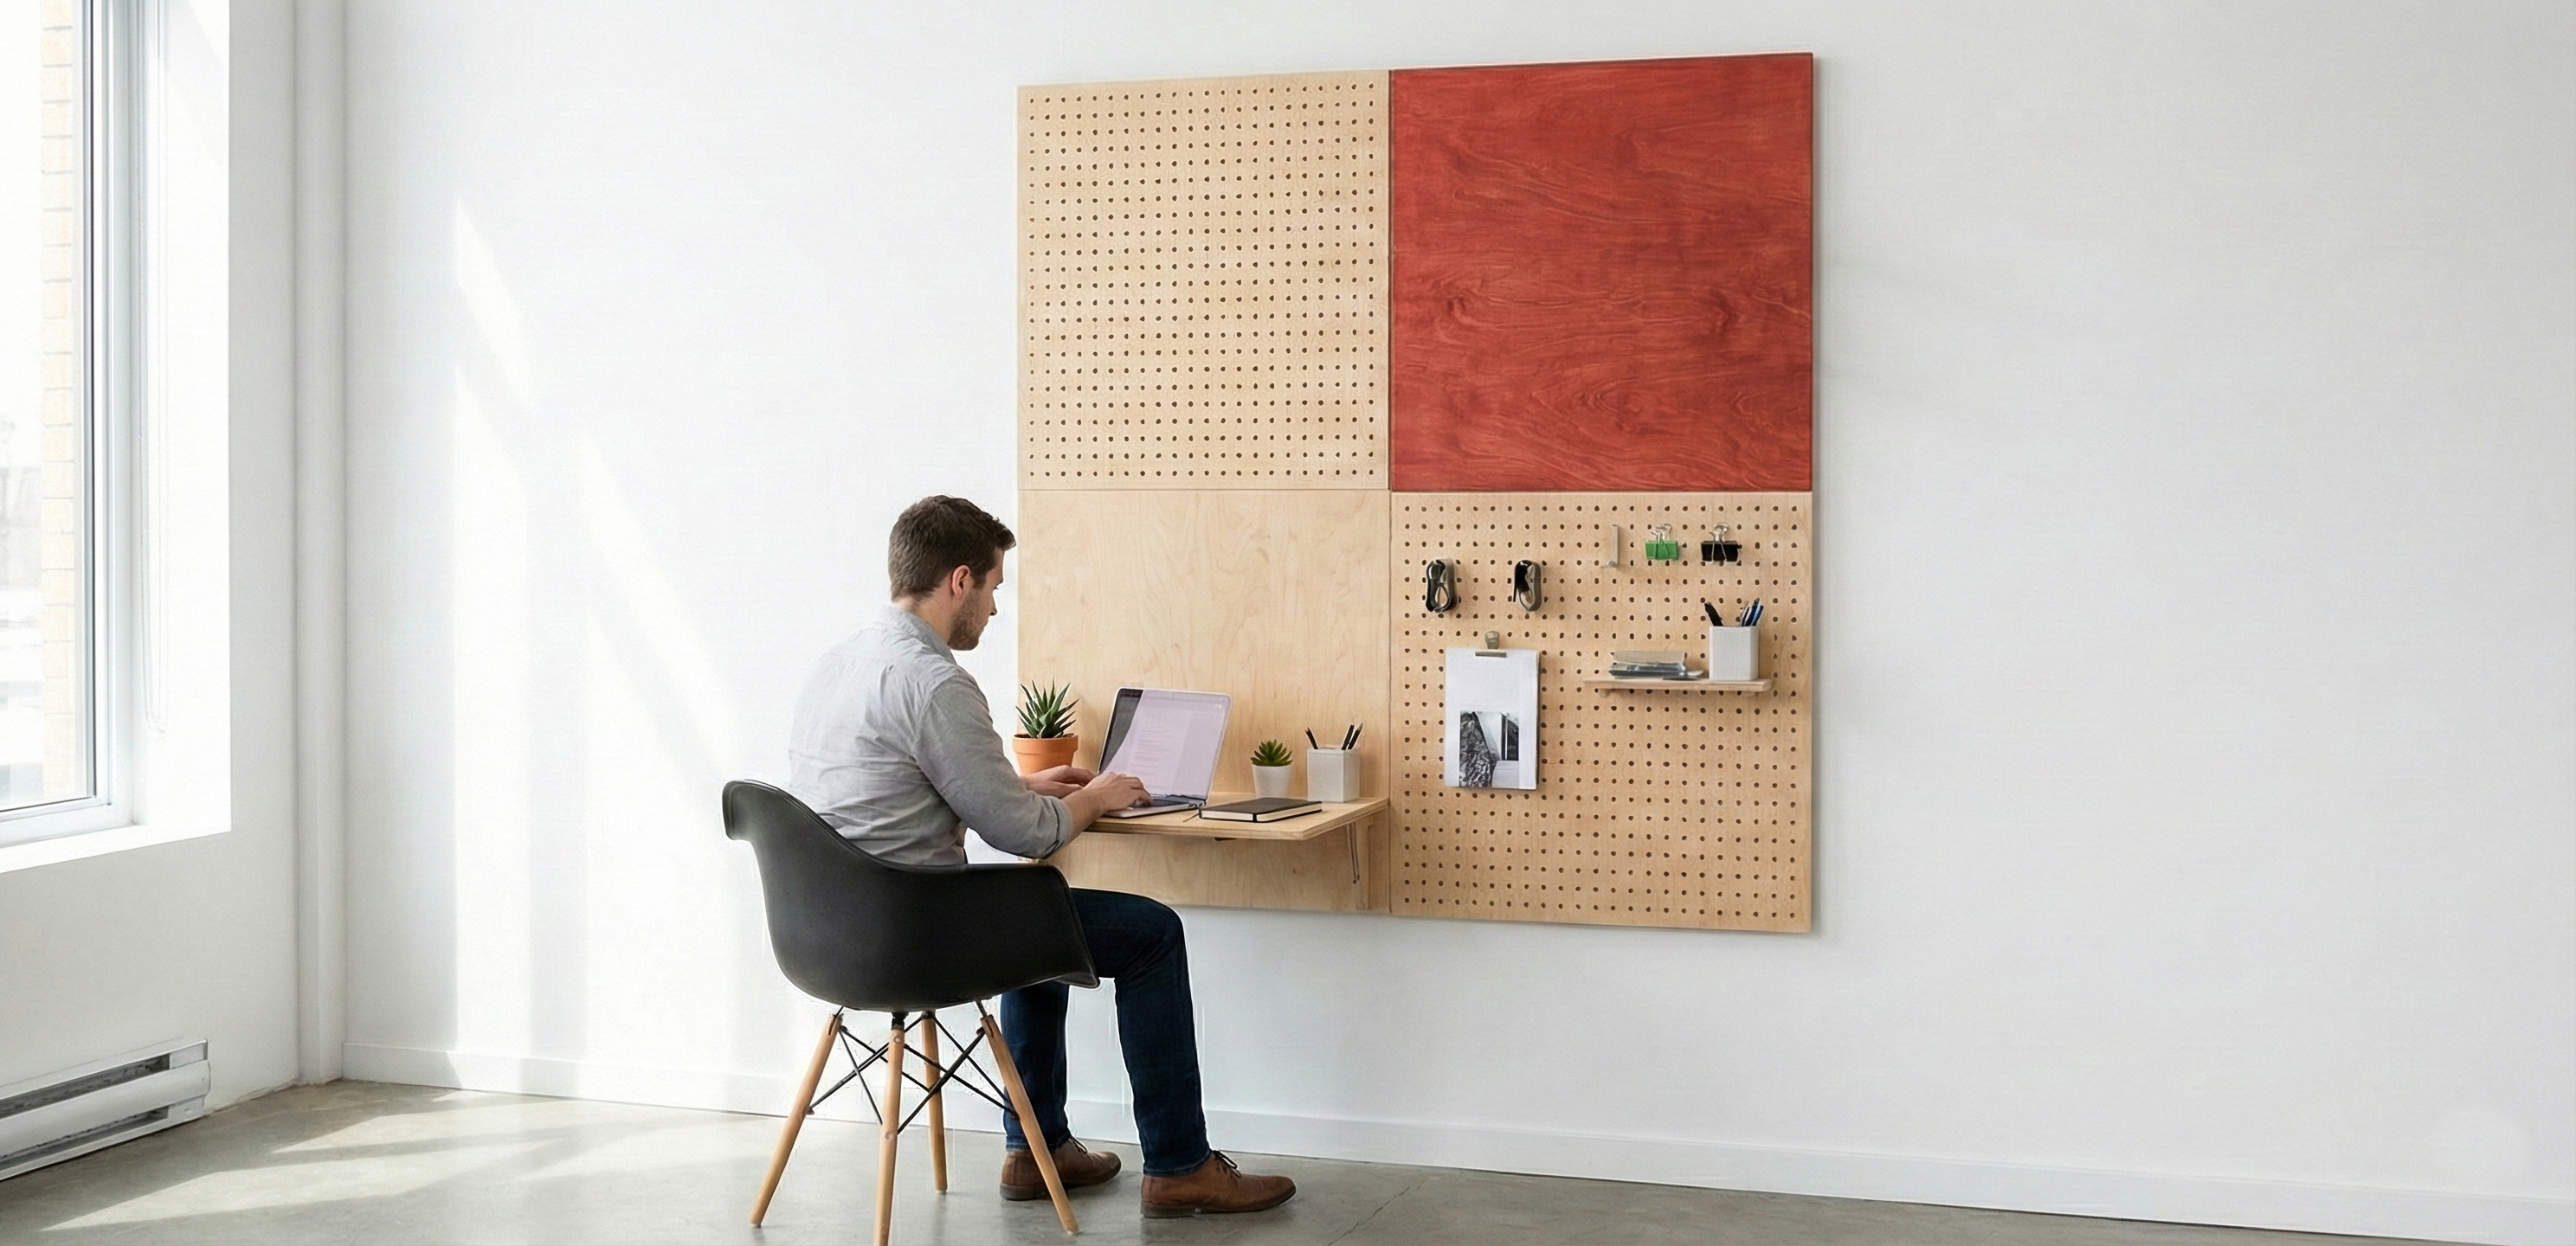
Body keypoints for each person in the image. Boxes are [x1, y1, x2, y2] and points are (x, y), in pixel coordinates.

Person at [785, 495, 1297, 1218]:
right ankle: (1180, 1166)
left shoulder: (839, 663)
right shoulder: (936, 683)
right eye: (994, 586)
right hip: (915, 939)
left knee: (1033, 911)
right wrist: (1096, 796)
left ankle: (1036, 1149)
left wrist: (1017, 785)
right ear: (959, 580)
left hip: (828, 939)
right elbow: (1028, 837)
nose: (994, 608)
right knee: (1149, 933)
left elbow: (894, 786)